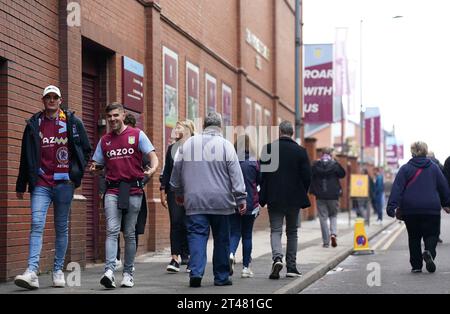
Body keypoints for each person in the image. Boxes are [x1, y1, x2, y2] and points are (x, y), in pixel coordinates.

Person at [14, 85, 92, 290]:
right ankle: (32, 271)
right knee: (37, 223)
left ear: (60, 100)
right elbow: (26, 155)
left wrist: (76, 173)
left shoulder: (73, 122)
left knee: (61, 227)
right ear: (43, 100)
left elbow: (86, 148)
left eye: (54, 97)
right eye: (47, 97)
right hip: (41, 182)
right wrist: (21, 183)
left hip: (64, 183)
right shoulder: (34, 124)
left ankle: (58, 270)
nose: (51, 100)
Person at [170, 112, 247, 288]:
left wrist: (178, 191)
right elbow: (235, 175)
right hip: (222, 203)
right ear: (220, 126)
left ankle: (196, 272)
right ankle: (221, 277)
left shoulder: (188, 144)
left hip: (195, 201)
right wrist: (241, 198)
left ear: (204, 126)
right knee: (222, 239)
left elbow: (177, 170)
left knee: (196, 236)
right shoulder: (226, 145)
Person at [90, 103, 158, 289]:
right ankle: (109, 271)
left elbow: (153, 156)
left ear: (123, 115)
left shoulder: (137, 135)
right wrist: (95, 169)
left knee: (129, 233)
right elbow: (96, 165)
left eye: (115, 115)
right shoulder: (104, 141)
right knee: (112, 230)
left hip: (133, 190)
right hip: (112, 190)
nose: (112, 119)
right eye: (109, 116)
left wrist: (152, 169)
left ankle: (128, 273)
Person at [386, 141, 450, 273]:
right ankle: (429, 252)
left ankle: (416, 266)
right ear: (425, 151)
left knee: (414, 237)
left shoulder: (405, 169)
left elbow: (397, 188)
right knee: (432, 234)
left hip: (411, 209)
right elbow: (443, 187)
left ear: (412, 152)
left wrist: (391, 207)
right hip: (431, 209)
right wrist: (446, 203)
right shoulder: (434, 168)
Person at [259, 121, 311, 279]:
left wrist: (266, 191)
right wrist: (302, 191)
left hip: (274, 197)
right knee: (292, 232)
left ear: (280, 131)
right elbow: (307, 176)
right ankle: (292, 267)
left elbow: (262, 175)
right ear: (292, 133)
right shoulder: (301, 151)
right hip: (294, 198)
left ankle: (277, 258)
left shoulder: (268, 149)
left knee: (275, 230)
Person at [114, 113, 150, 270]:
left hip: (132, 189)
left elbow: (148, 168)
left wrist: (140, 182)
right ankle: (119, 259)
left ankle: (126, 259)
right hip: (121, 189)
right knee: (119, 226)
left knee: (129, 227)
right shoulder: (115, 141)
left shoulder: (138, 143)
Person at [160, 120, 195, 273]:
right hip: (174, 190)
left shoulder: (196, 148)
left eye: (179, 126)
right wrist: (162, 189)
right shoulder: (172, 148)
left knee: (189, 222)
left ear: (188, 129)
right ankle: (175, 258)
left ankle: (189, 257)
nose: (176, 129)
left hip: (192, 190)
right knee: (176, 222)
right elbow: (167, 171)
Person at [229, 134, 261, 278]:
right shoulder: (255, 163)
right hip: (250, 203)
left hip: (233, 202)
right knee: (247, 235)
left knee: (235, 232)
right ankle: (246, 268)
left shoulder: (231, 161)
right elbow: (259, 182)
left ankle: (230, 254)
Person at [310, 147, 346, 248]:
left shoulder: (316, 164)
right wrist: (336, 162)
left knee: (323, 218)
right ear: (331, 154)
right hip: (333, 195)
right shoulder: (334, 164)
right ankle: (333, 234)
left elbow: (310, 174)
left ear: (321, 154)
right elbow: (342, 174)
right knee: (333, 215)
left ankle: (326, 242)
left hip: (320, 195)